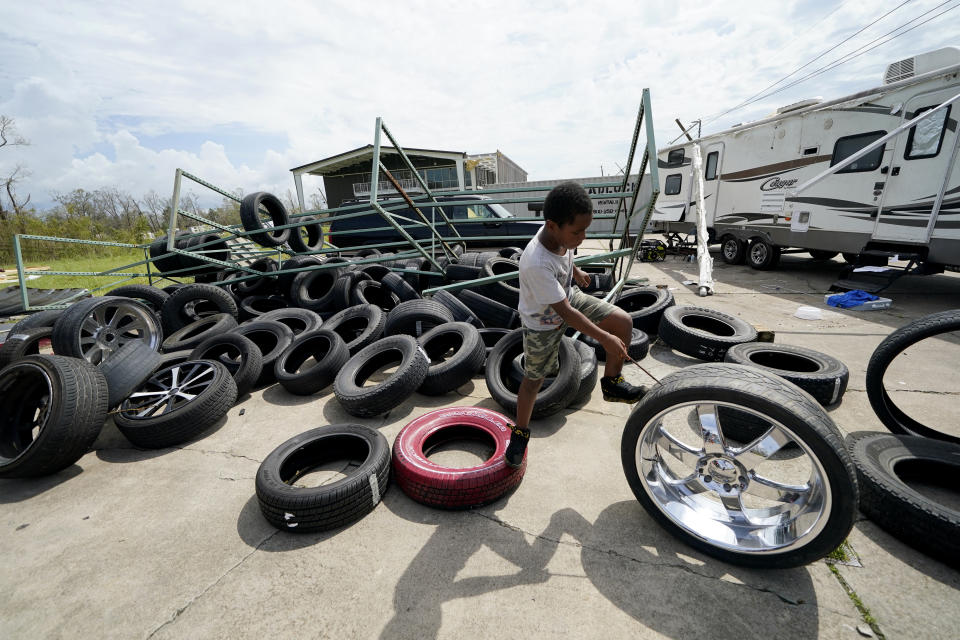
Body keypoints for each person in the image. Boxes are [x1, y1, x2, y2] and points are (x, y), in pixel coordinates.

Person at [504, 181, 647, 468]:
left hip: (568, 296)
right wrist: (604, 339)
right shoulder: (535, 262)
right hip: (542, 323)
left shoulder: (557, 237)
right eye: (577, 231)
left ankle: (612, 383)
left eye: (586, 230)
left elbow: (564, 256)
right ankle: (520, 432)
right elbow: (565, 314)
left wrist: (576, 270)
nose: (582, 237)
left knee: (623, 321)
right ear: (552, 225)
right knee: (534, 381)